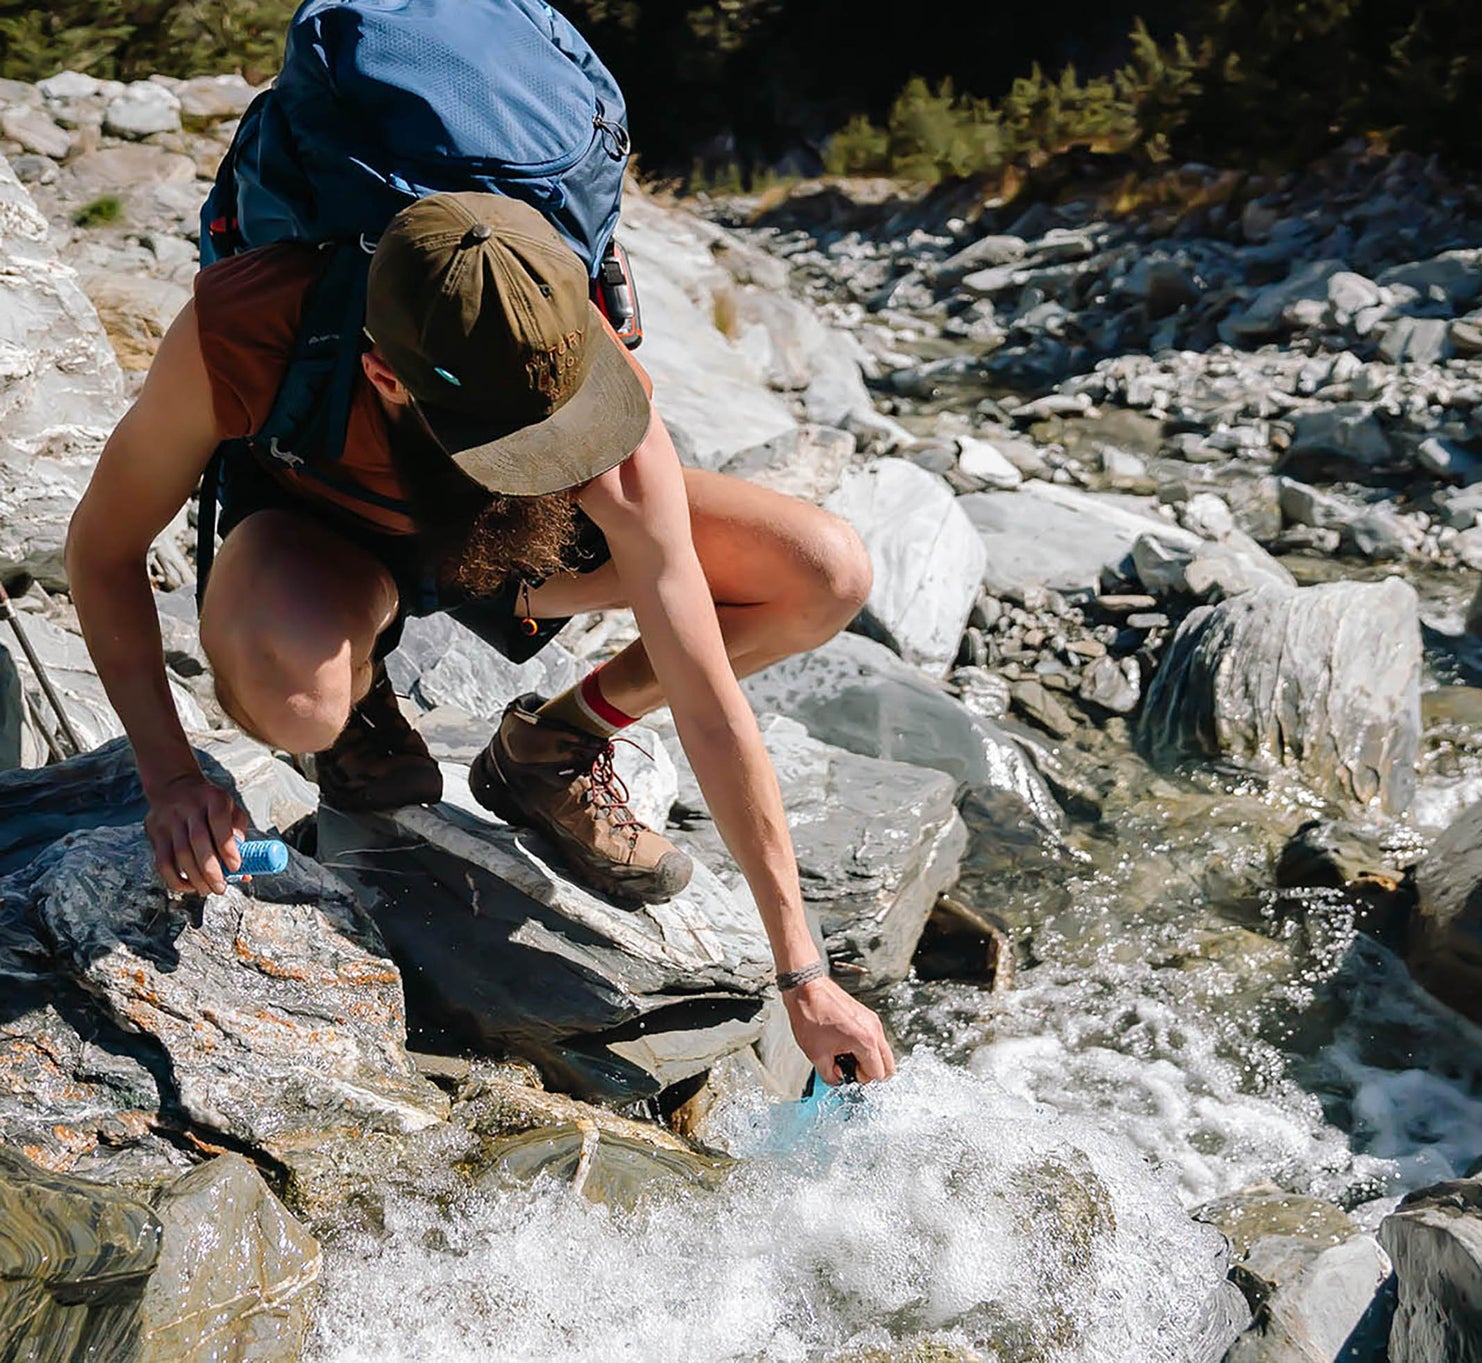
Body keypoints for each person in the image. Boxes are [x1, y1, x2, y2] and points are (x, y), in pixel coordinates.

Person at [64, 191, 895, 1085]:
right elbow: (102, 551)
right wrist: (173, 777)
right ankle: (358, 697)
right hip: (338, 539)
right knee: (297, 700)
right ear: (384, 373)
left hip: (516, 546)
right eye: (520, 440)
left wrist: (802, 972)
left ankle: (555, 740)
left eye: (560, 426)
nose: (557, 447)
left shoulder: (578, 368)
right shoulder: (248, 325)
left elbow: (706, 692)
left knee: (823, 570)